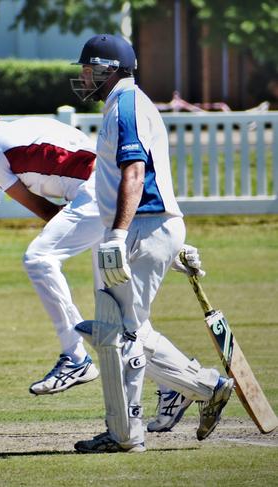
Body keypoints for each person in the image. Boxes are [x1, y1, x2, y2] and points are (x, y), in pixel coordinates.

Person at [0, 98, 204, 402]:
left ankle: (75, 358)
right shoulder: (25, 126)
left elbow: (41, 208)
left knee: (39, 258)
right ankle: (173, 387)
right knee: (117, 318)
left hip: (94, 196)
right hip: (110, 195)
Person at [69, 34, 234, 454]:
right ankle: (206, 386)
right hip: (150, 226)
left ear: (110, 68)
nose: (84, 76)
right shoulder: (128, 102)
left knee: (117, 333)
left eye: (90, 68)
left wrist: (122, 235)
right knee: (131, 329)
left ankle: (126, 434)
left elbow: (136, 173)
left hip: (141, 224)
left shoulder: (126, 103)